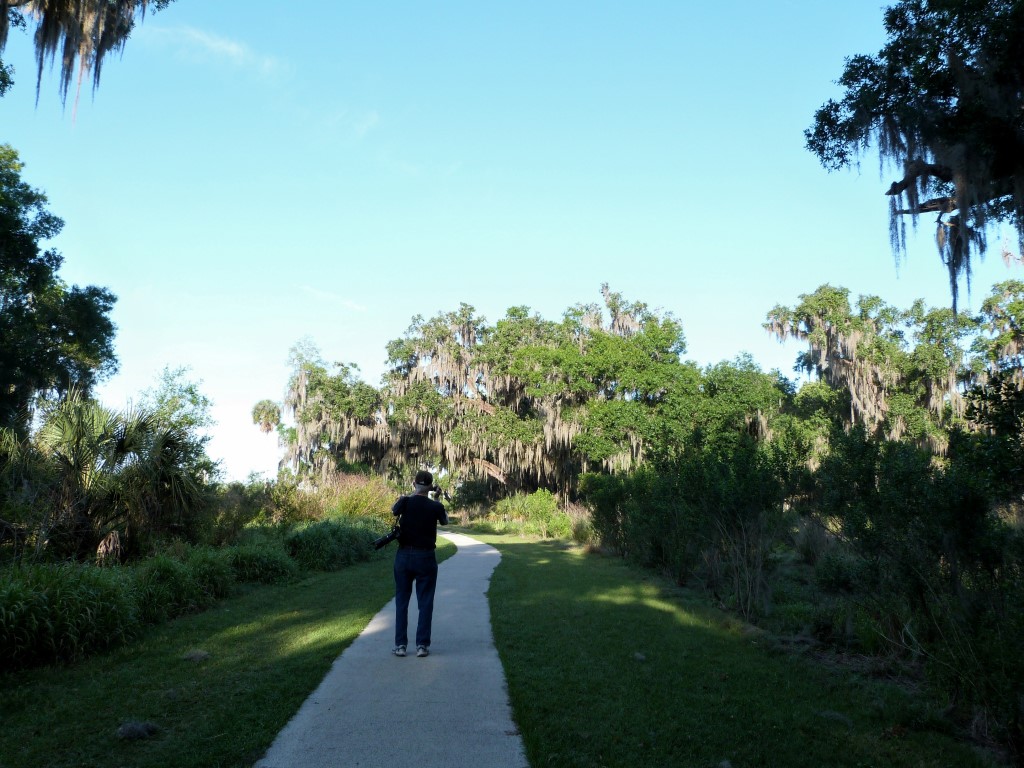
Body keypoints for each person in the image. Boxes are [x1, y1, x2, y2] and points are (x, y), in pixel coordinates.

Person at [391, 469, 448, 658]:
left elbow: (394, 510)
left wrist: (410, 493)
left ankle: (400, 646)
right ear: (430, 487)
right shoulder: (435, 506)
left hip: (404, 556)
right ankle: (422, 645)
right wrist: (437, 498)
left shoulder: (405, 502)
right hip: (426, 558)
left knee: (402, 601)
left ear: (414, 484)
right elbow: (445, 521)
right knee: (425, 602)